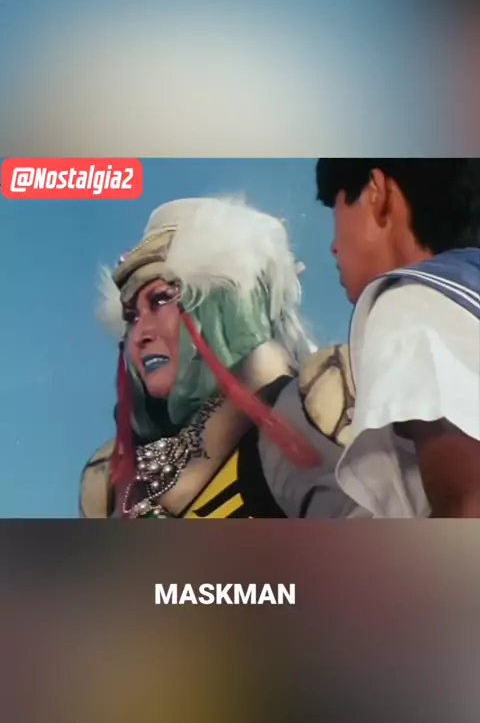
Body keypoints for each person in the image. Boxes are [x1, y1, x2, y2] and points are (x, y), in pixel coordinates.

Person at [80, 195, 361, 519]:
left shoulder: (305, 409)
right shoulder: (108, 479)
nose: (140, 334)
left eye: (160, 300)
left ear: (221, 304)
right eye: (131, 316)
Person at [315, 158, 480, 518]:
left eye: (336, 209)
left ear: (376, 192)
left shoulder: (412, 301)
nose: (333, 246)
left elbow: (469, 503)